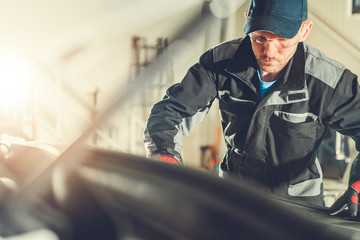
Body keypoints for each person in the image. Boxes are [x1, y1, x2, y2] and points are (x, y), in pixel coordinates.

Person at [144, 0, 360, 216]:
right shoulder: (220, 63)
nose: (269, 51)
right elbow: (170, 112)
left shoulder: (329, 81)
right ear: (247, 21)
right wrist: (165, 155)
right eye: (259, 38)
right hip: (235, 199)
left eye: (282, 40)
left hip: (300, 209)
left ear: (304, 30)